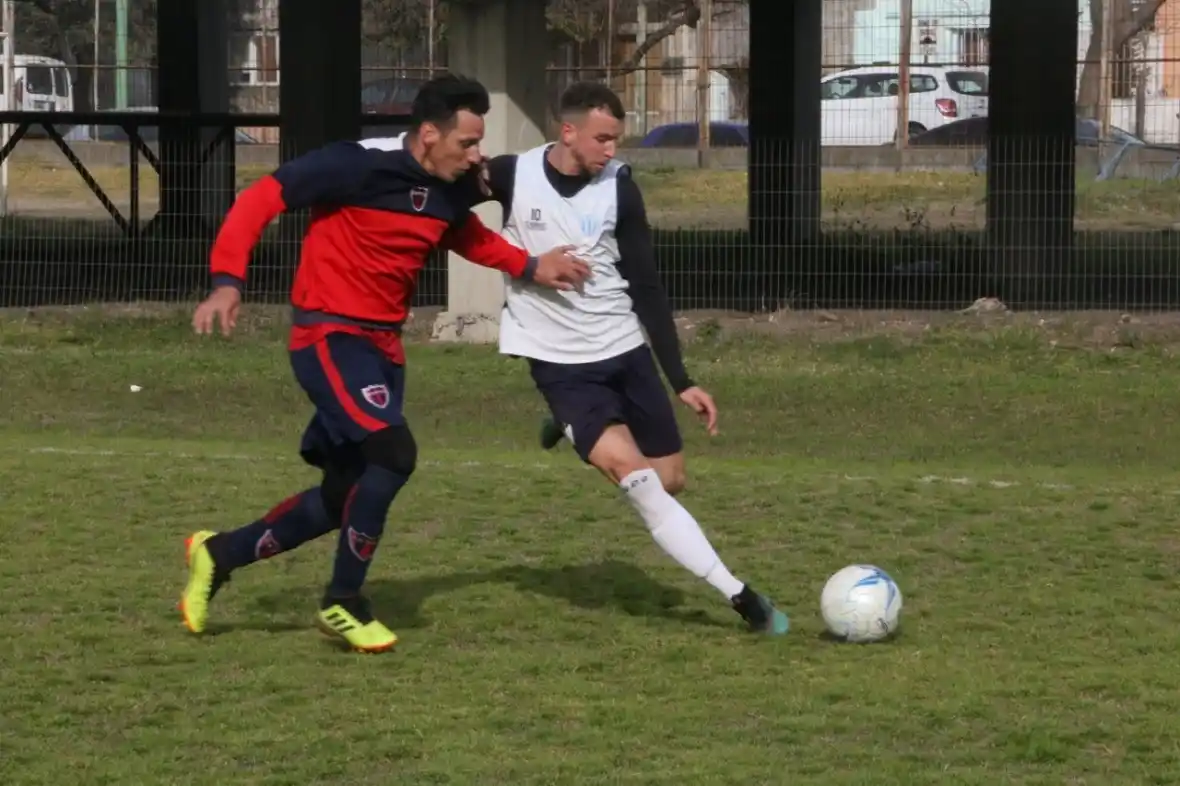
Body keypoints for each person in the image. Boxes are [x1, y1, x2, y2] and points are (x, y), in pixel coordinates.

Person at [180, 73, 590, 653]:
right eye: (467, 143)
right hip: (329, 336)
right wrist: (226, 282)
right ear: (428, 134)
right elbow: (258, 201)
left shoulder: (447, 185)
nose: (477, 156)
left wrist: (530, 265)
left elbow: (465, 236)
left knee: (344, 491)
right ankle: (343, 602)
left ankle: (218, 554)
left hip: (382, 349)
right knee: (395, 454)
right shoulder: (354, 166)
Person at [474, 82, 789, 635]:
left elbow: (646, 285)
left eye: (616, 139)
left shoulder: (620, 187)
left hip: (623, 348)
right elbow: (439, 200)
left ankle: (574, 431)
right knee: (637, 480)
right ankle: (741, 597)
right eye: (602, 138)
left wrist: (681, 379)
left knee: (670, 481)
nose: (611, 149)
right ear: (567, 131)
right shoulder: (510, 175)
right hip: (559, 363)